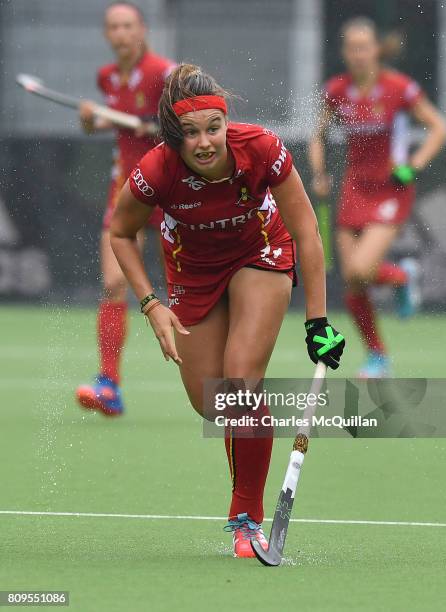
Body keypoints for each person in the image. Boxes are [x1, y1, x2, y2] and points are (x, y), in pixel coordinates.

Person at [109, 63, 345, 557]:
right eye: (191, 134)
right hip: (191, 274)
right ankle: (249, 466)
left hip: (259, 254)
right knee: (213, 404)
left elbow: (306, 230)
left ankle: (246, 520)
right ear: (175, 138)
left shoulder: (260, 148)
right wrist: (150, 305)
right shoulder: (156, 170)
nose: (205, 143)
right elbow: (120, 233)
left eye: (213, 128)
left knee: (238, 383)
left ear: (225, 122)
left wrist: (318, 322)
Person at [309, 17, 446, 378]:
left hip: (391, 187)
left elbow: (438, 127)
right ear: (344, 52)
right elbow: (317, 136)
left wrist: (414, 164)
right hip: (355, 187)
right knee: (352, 281)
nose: (358, 54)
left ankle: (402, 276)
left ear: (375, 49)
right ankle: (378, 356)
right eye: (351, 48)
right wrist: (320, 173)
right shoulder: (337, 90)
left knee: (361, 269)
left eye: (364, 47)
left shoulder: (399, 88)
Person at [76, 2, 175, 415]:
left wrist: (160, 122)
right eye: (113, 27)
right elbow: (112, 122)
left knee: (189, 293)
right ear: (107, 34)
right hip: (126, 191)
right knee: (113, 283)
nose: (120, 33)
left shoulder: (163, 73)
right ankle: (109, 386)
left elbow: (190, 111)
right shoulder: (107, 77)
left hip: (169, 191)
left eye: (127, 26)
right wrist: (90, 120)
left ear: (142, 31)